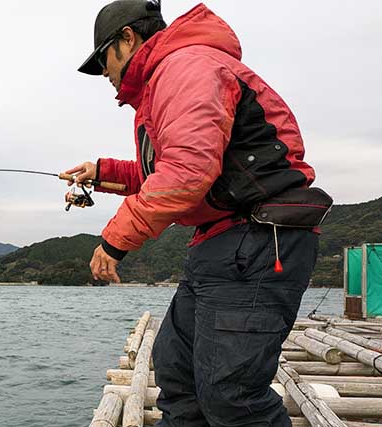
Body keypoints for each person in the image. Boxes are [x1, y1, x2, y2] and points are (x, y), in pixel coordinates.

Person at [69, 1, 321, 426]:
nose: (105, 75)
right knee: (178, 373)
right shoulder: (165, 81)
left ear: (127, 38)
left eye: (102, 60)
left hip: (256, 239)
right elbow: (169, 169)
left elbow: (187, 174)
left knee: (232, 396)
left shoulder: (186, 67)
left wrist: (114, 241)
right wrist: (103, 173)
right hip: (220, 243)